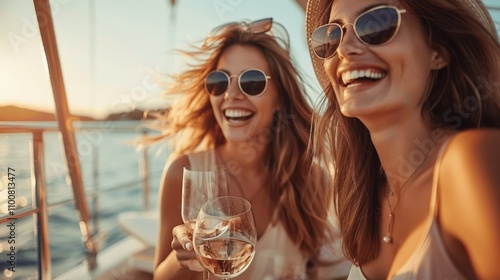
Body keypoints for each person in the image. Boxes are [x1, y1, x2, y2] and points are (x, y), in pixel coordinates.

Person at [306, 0, 500, 279]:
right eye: (332, 36)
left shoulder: (470, 163)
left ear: (438, 50)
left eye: (377, 24)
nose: (344, 49)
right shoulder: (364, 200)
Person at [152, 18, 351, 279]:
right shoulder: (183, 173)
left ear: (279, 97)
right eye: (219, 81)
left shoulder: (312, 180)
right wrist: (182, 258)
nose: (231, 94)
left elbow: (311, 269)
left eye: (252, 81)